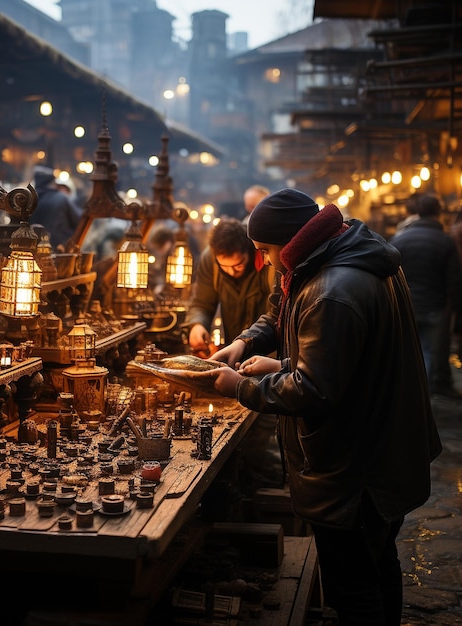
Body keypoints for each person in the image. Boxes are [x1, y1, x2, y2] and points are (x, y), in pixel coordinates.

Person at [209, 188, 442, 626]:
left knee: (354, 590)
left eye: (264, 250)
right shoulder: (338, 255)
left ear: (288, 241)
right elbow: (291, 314)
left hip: (356, 470)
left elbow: (314, 389)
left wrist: (240, 386)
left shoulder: (332, 287)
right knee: (379, 566)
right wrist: (247, 343)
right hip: (382, 448)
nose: (263, 261)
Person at [389, 193, 462, 397]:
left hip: (407, 305)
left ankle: (410, 394)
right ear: (438, 213)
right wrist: (456, 308)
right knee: (430, 351)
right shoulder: (445, 241)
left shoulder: (400, 239)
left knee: (409, 351)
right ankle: (425, 397)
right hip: (435, 308)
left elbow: (390, 274)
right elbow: (454, 280)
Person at [185, 217, 276, 357]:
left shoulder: (268, 263)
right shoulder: (210, 259)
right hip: (232, 349)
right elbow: (202, 303)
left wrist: (245, 342)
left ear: (249, 252)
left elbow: (276, 315)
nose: (231, 272)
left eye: (238, 265)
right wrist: (197, 324)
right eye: (224, 266)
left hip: (269, 355)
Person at [30, 165, 83, 251]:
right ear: (52, 183)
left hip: (31, 248)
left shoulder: (29, 199)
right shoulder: (60, 198)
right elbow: (80, 220)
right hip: (57, 248)